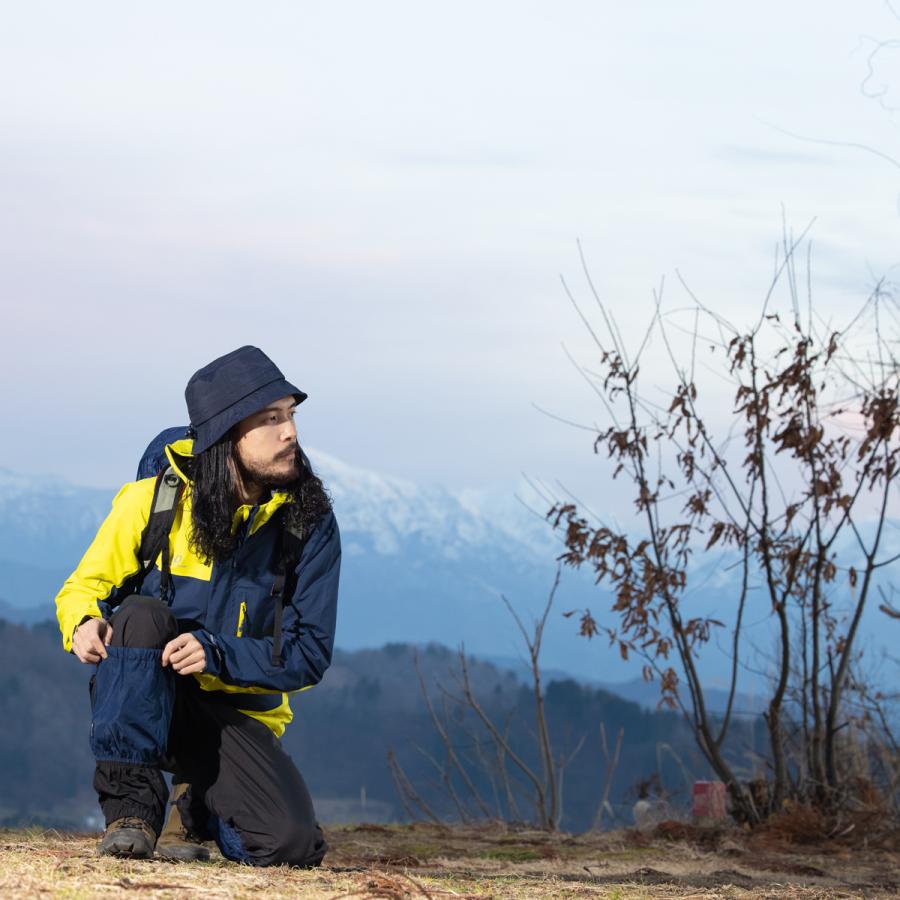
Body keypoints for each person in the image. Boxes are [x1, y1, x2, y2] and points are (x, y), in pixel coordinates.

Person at [55, 346, 341, 866]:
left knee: (290, 845)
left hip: (236, 712)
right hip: (148, 692)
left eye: (291, 415)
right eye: (271, 419)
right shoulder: (154, 501)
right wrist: (82, 623)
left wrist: (217, 652)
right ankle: (132, 812)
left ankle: (197, 808)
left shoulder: (308, 523)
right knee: (141, 614)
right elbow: (82, 587)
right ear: (227, 434)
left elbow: (310, 653)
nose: (291, 433)